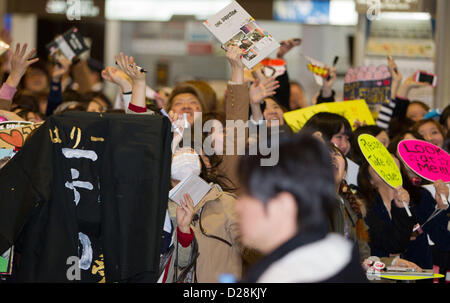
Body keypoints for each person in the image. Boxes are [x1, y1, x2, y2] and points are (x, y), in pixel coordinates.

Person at [237, 132, 367, 283]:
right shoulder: (340, 253)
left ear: (284, 205)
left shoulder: (283, 275)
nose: (239, 205)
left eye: (250, 195)